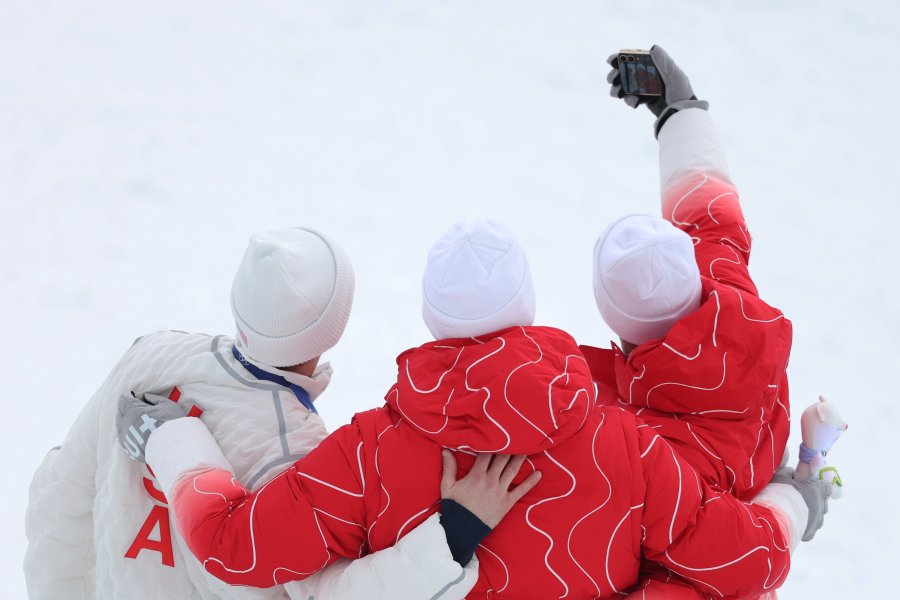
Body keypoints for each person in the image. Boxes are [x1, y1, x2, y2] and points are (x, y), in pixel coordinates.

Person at [118, 220, 830, 599]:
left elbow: (232, 548)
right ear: (526, 309)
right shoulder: (632, 449)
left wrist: (175, 441)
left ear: (432, 320)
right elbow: (748, 560)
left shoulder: (370, 455)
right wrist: (792, 500)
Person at [25, 227, 530, 600]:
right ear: (333, 327)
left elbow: (59, 500)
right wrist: (454, 535)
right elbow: (331, 595)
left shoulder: (150, 357)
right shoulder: (299, 454)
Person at [581, 45, 804, 597]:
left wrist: (794, 504)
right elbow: (709, 207)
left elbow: (747, 556)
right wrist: (680, 112)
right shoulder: (730, 291)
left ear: (620, 325)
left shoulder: (644, 443)